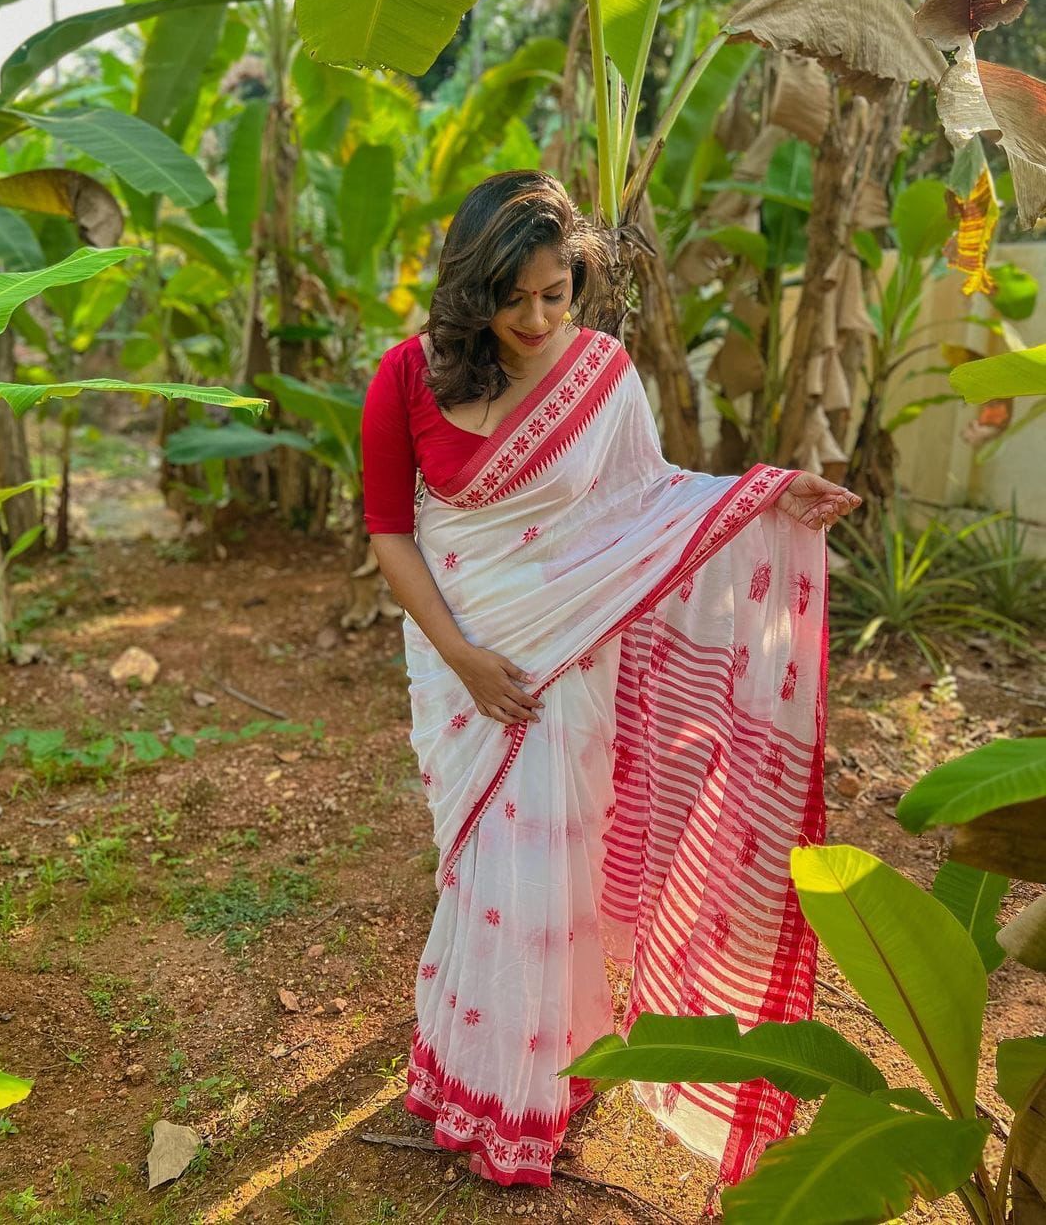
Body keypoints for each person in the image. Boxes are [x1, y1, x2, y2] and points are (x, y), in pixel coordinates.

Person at [359, 170, 861, 1201]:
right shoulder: (405, 378)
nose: (540, 320)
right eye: (516, 298)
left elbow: (648, 498)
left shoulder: (602, 373)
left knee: (549, 866)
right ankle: (477, 1065)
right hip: (465, 662)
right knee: (484, 870)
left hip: (567, 655)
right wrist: (464, 659)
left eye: (558, 293)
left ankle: (536, 1078)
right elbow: (390, 535)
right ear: (472, 288)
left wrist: (768, 496)